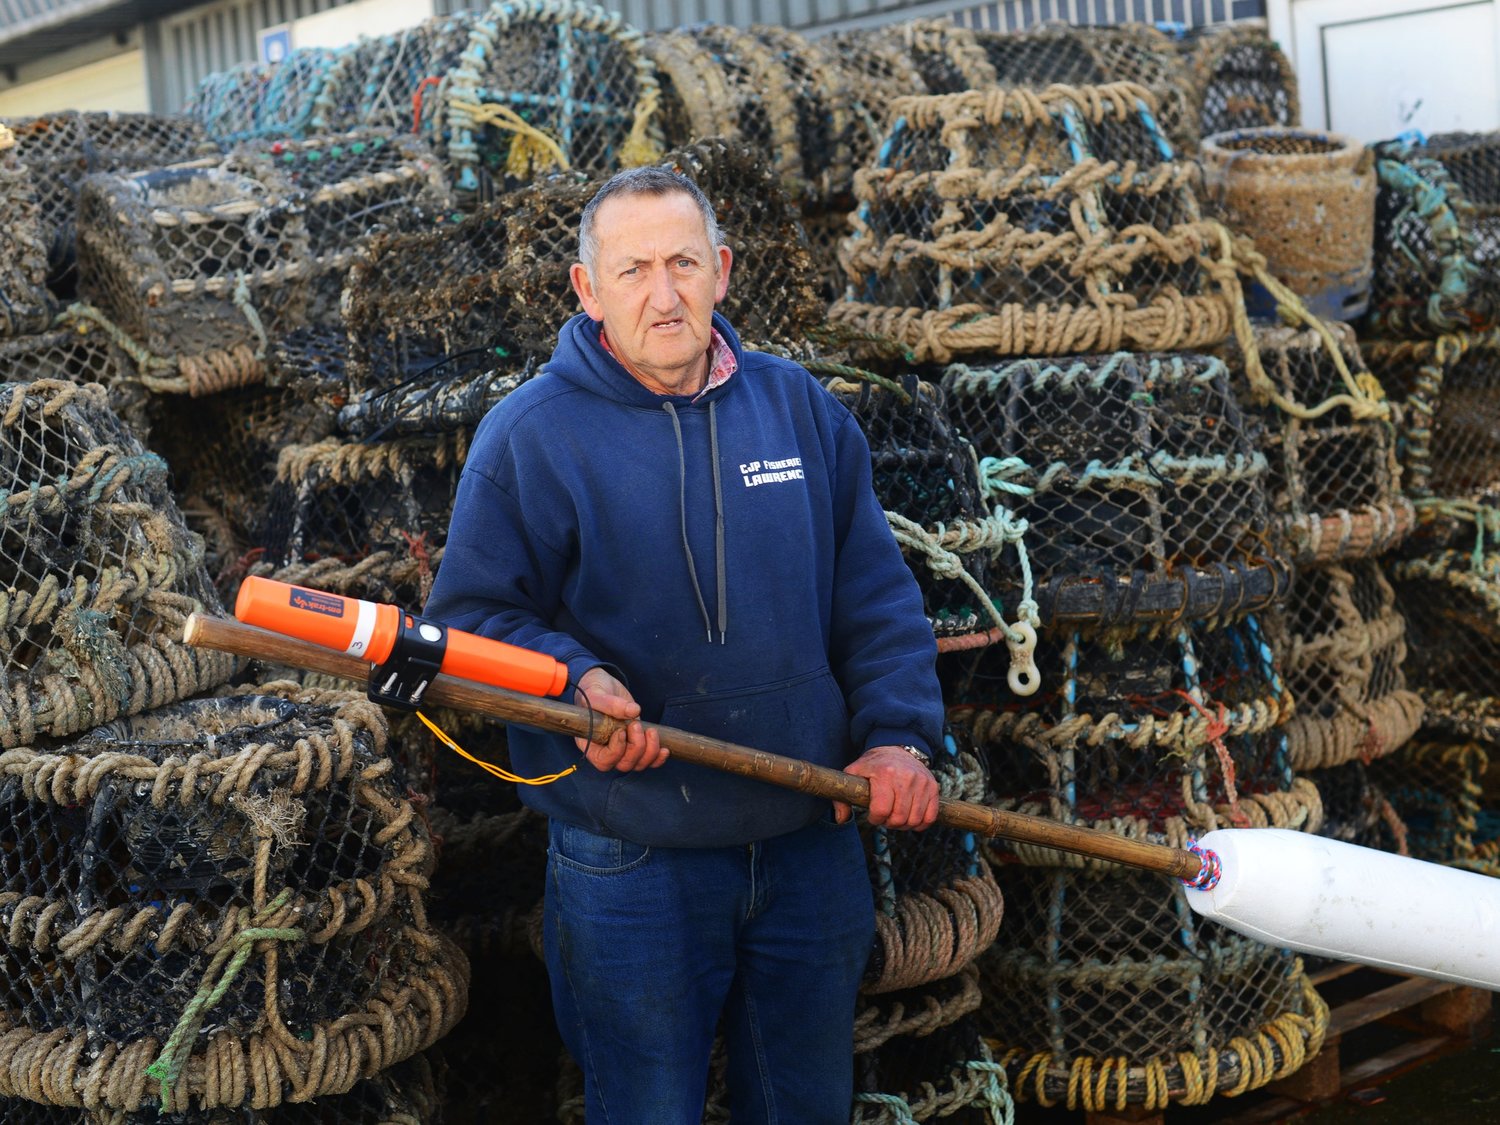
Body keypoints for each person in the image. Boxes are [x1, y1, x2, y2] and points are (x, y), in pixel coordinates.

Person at [424, 165, 944, 1123]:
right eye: (633, 271)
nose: (663, 295)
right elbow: (471, 621)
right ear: (587, 289)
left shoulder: (799, 409)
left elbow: (876, 598)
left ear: (723, 271)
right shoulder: (530, 436)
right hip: (632, 857)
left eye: (684, 264)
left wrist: (899, 738)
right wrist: (576, 682)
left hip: (809, 837)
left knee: (805, 1106)